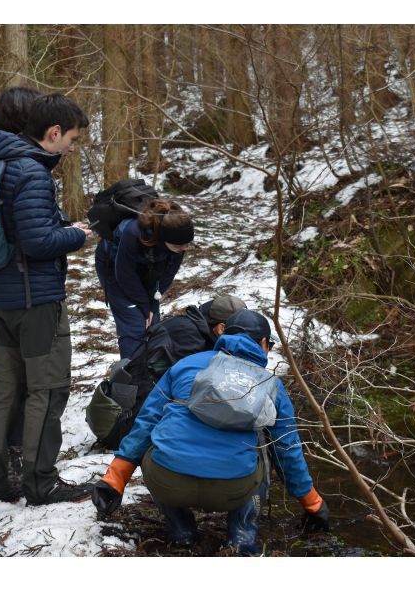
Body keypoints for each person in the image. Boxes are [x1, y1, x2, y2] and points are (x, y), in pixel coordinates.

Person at [91, 309, 330, 554]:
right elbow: (287, 449)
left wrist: (115, 479)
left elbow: (145, 425)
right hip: (233, 488)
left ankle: (181, 530)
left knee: (159, 437)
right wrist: (312, 502)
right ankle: (242, 537)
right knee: (263, 442)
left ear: (224, 334)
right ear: (263, 344)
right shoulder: (272, 385)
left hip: (170, 482)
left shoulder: (185, 365)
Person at [0, 93, 95, 510]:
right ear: (54, 132)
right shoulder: (32, 172)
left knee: (4, 389)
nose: (73, 148)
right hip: (36, 299)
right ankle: (40, 482)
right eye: (73, 139)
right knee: (49, 388)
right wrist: (78, 234)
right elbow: (38, 241)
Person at [0, 86, 43, 489]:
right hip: (24, 289)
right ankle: (19, 465)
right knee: (30, 382)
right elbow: (31, 236)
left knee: (5, 381)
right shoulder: (23, 165)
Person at [86, 294, 247, 449]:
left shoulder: (192, 327)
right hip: (125, 426)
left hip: (126, 413)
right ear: (221, 328)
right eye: (240, 333)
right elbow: (189, 393)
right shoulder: (190, 339)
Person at [94, 198, 195, 359]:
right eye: (178, 246)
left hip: (147, 267)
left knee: (153, 325)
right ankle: (132, 377)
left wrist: (153, 303)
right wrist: (143, 304)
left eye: (186, 245)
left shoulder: (178, 243)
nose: (184, 249)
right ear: (163, 237)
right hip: (113, 267)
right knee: (134, 326)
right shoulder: (134, 233)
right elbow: (124, 274)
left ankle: (152, 371)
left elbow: (167, 274)